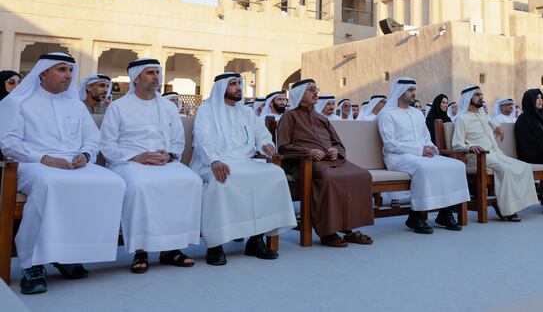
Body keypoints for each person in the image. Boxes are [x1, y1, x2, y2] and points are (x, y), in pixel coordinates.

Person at [0, 52, 126, 294]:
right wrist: (44, 158)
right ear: (43, 73)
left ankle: (69, 253)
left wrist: (86, 156)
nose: (68, 75)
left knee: (113, 182)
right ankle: (33, 263)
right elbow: (9, 143)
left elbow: (92, 138)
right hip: (31, 163)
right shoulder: (17, 102)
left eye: (70, 70)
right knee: (50, 185)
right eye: (61, 70)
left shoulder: (75, 105)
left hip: (73, 164)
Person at [100, 58, 202, 274]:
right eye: (150, 73)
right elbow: (107, 144)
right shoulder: (118, 107)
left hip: (164, 161)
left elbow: (177, 141)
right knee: (140, 185)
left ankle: (171, 248)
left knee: (190, 181)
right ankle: (140, 250)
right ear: (136, 78)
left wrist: (169, 155)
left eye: (157, 72)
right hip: (128, 161)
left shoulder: (167, 107)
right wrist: (136, 157)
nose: (156, 77)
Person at [190, 73, 296, 265]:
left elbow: (261, 135)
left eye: (239, 83)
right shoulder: (207, 110)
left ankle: (256, 240)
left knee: (275, 174)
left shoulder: (247, 112)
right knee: (221, 180)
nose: (238, 87)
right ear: (222, 88)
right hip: (213, 163)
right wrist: (214, 161)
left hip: (244, 161)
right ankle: (215, 245)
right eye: (233, 84)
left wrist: (266, 146)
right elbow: (201, 140)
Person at [277, 79, 374, 247]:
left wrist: (336, 151)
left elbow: (338, 144)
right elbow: (283, 147)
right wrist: (309, 152)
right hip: (305, 164)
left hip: (332, 161)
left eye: (316, 89)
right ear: (299, 95)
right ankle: (327, 232)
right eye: (311, 90)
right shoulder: (289, 116)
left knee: (362, 175)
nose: (316, 93)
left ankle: (348, 229)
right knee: (329, 178)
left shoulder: (321, 118)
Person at [378, 78, 469, 233]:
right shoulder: (387, 114)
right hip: (397, 157)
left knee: (456, 165)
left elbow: (426, 137)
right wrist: (419, 151)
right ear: (400, 92)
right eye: (410, 90)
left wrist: (432, 148)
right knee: (425, 168)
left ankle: (445, 213)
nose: (414, 93)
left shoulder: (417, 113)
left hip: (421, 154)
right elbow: (390, 144)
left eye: (414, 89)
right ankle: (416, 216)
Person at [453, 86, 538, 221]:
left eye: (481, 94)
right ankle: (506, 210)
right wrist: (470, 147)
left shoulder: (482, 114)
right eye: (477, 95)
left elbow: (489, 121)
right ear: (468, 98)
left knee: (525, 167)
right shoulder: (462, 119)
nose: (481, 97)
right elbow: (457, 144)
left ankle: (514, 204)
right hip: (478, 158)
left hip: (495, 154)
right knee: (505, 170)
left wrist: (497, 126)